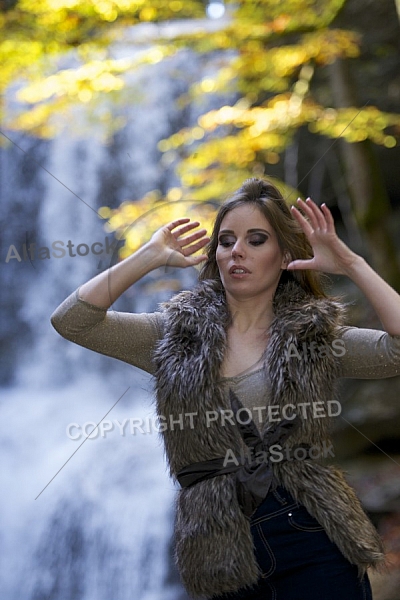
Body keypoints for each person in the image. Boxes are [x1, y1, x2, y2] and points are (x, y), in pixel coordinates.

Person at [51, 178, 400, 600]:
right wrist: (148, 257)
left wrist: (351, 263)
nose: (237, 251)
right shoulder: (172, 334)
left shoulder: (317, 337)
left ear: (286, 254)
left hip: (312, 534)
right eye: (226, 240)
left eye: (256, 240)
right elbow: (72, 321)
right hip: (218, 549)